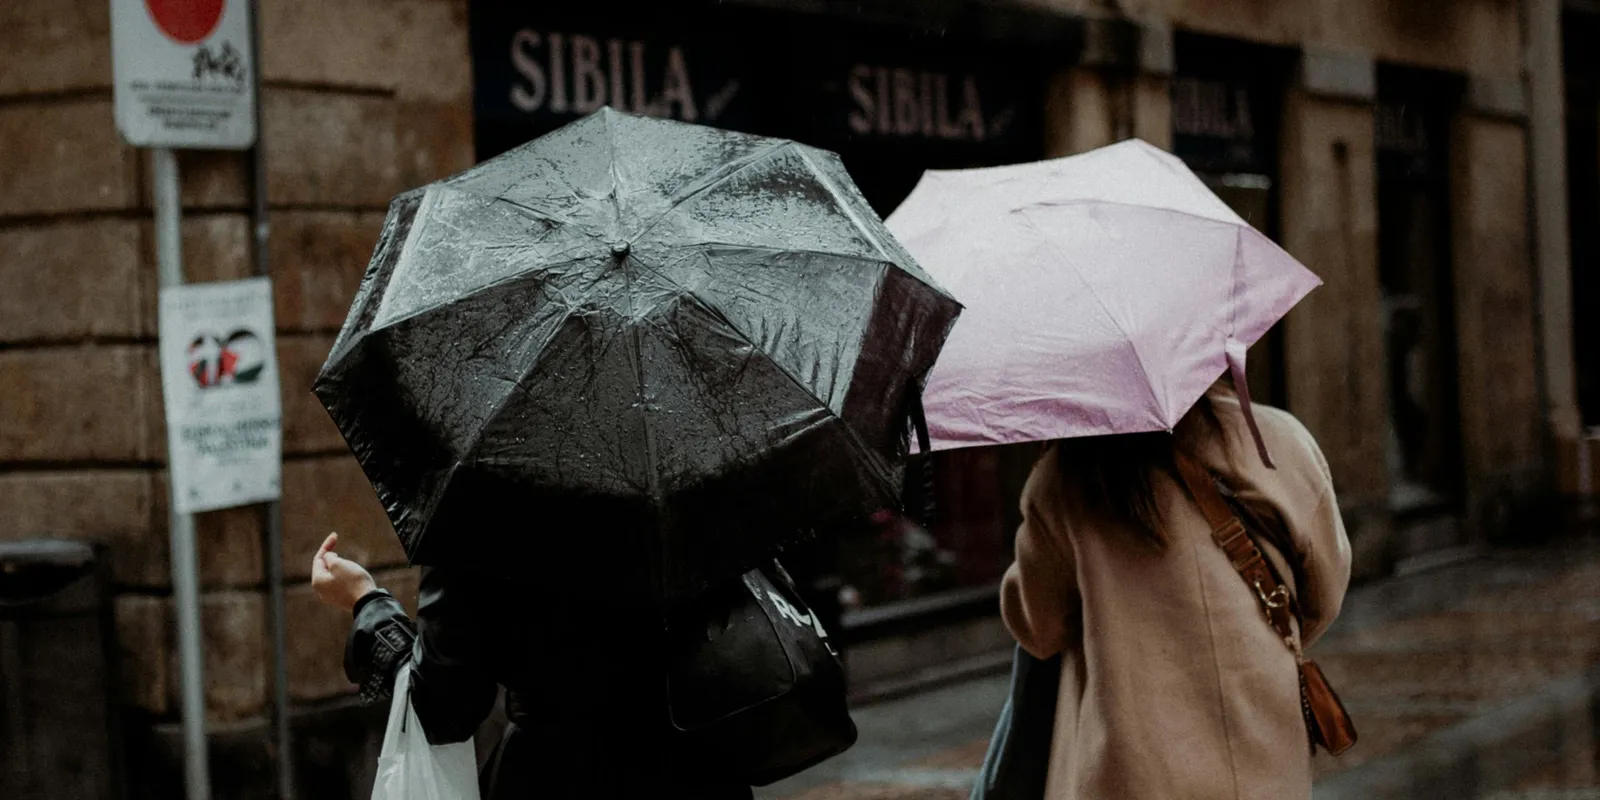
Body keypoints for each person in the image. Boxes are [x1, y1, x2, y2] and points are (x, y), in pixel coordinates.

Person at [1000, 380, 1352, 800]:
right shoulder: (1276, 440)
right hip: (1261, 743)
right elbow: (1323, 596)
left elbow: (1040, 630)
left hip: (1131, 768)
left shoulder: (1063, 479)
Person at [310, 534, 754, 800]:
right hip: (700, 767)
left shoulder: (486, 491)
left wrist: (368, 603)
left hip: (561, 775)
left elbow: (445, 702)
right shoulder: (684, 458)